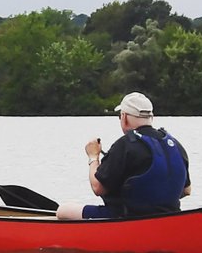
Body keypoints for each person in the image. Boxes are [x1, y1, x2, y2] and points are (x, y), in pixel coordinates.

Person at [55, 91, 190, 220]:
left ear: (124, 117)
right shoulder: (175, 145)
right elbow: (186, 190)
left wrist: (93, 157)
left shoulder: (125, 145)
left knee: (63, 210)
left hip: (125, 217)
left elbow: (98, 187)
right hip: (170, 215)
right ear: (151, 117)